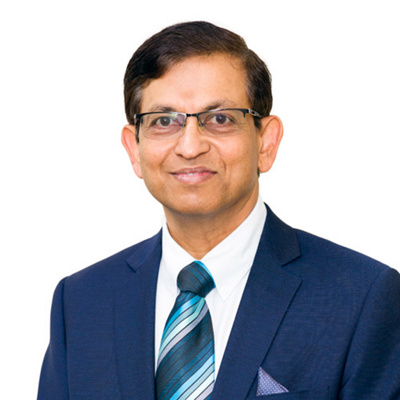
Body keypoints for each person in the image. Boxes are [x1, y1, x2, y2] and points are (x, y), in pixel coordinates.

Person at [37, 21, 400, 400]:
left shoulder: (361, 298)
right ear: (135, 149)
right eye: (164, 121)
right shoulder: (80, 303)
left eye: (220, 119)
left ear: (266, 142)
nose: (190, 146)